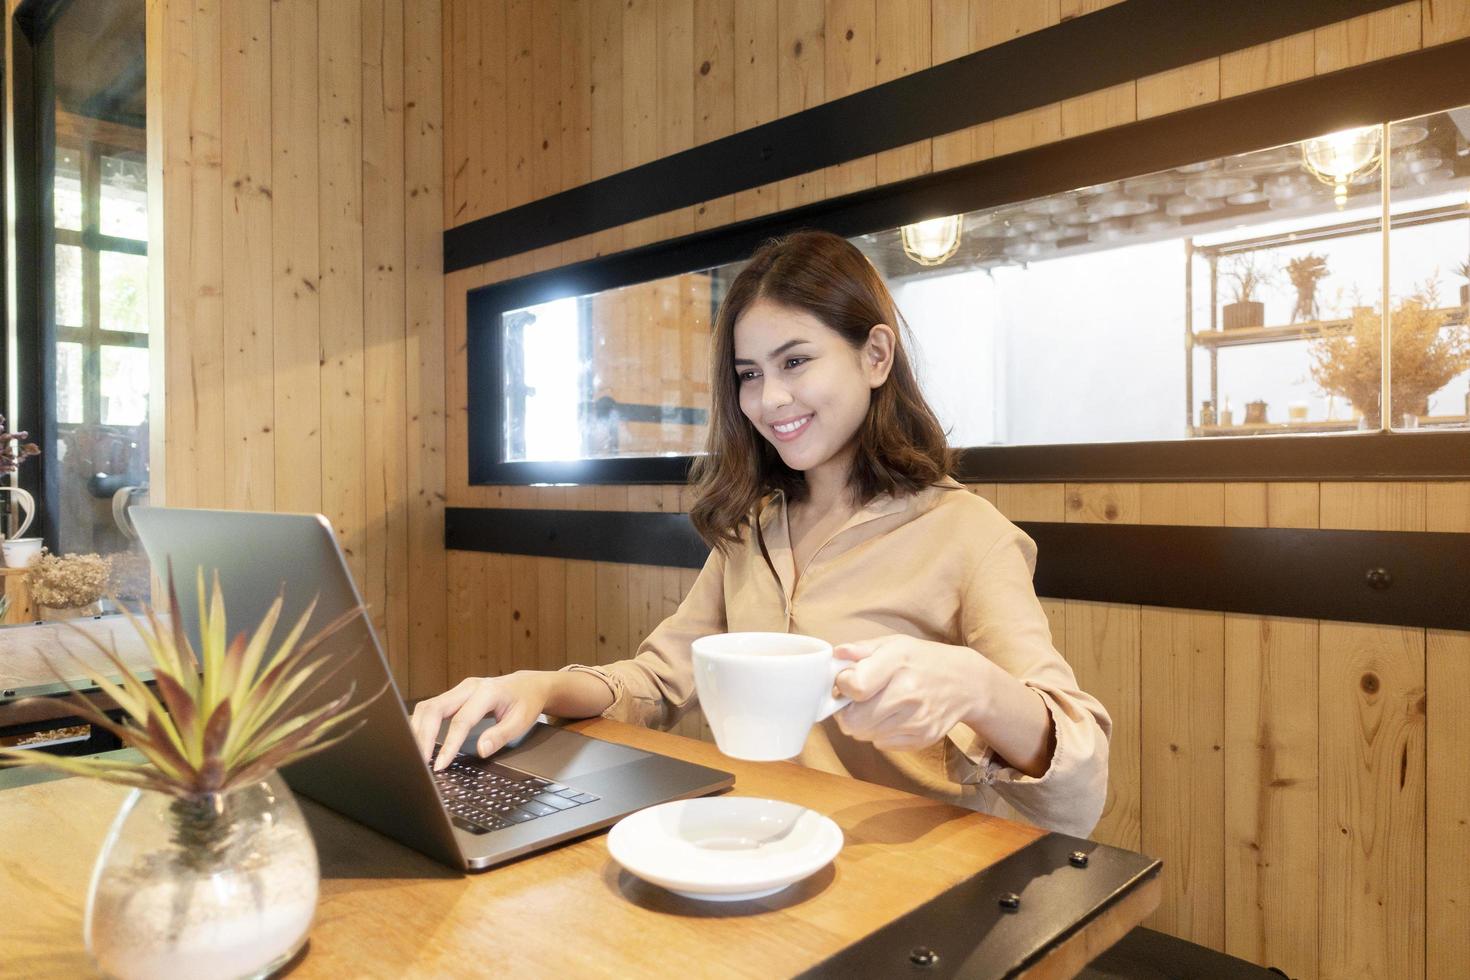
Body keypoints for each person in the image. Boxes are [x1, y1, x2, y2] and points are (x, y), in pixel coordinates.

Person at [411, 230, 1110, 837]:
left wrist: (980, 689)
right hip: (750, 844)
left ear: (875, 356)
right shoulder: (753, 529)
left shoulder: (969, 535)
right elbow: (658, 682)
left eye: (796, 361)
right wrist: (536, 688)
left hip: (901, 875)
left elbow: (1081, 788)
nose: (770, 399)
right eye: (750, 374)